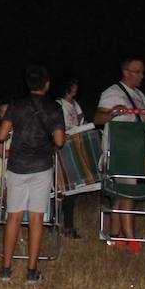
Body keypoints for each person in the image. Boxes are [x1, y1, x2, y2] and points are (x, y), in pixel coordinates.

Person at [0, 66, 66, 283]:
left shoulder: (16, 105)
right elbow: (60, 141)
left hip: (17, 166)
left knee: (13, 216)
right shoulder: (54, 107)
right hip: (42, 167)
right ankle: (32, 271)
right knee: (36, 218)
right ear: (47, 84)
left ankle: (6, 269)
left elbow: (1, 135)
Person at [94, 58, 145, 251]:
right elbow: (98, 118)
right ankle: (131, 239)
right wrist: (113, 114)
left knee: (121, 193)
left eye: (142, 71)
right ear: (126, 72)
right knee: (127, 194)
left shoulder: (139, 94)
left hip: (135, 151)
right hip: (120, 153)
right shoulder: (112, 93)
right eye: (137, 71)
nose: (142, 75)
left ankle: (115, 236)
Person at [56, 76, 85, 238]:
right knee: (62, 188)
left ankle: (68, 225)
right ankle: (58, 223)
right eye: (74, 85)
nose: (76, 88)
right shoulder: (59, 104)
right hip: (63, 149)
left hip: (75, 147)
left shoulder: (75, 105)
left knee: (73, 189)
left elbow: (80, 120)